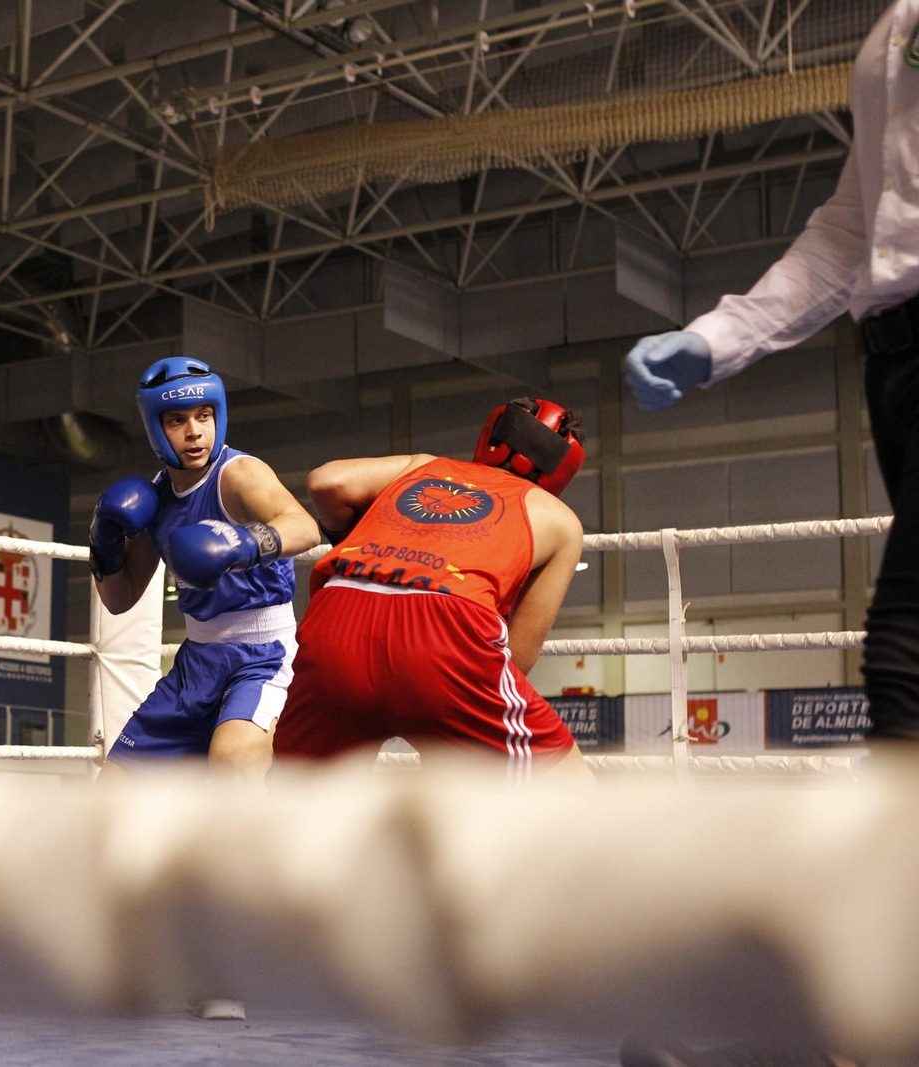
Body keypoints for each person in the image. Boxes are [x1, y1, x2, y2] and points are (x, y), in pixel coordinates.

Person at [622, 0, 918, 744]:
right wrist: (719, 337)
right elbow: (855, 228)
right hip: (894, 365)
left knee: (906, 646)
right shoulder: (890, 34)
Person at [272, 398, 593, 783]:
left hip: (339, 616)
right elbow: (518, 657)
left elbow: (327, 482)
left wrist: (357, 541)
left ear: (491, 436)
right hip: (444, 636)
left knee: (299, 804)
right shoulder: (559, 519)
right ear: (562, 470)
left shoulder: (425, 466)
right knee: (566, 784)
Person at [89, 357, 320, 783]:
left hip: (263, 653)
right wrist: (103, 542)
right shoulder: (153, 500)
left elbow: (304, 527)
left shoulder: (238, 474)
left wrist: (242, 543)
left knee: (233, 764)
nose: (195, 431)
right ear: (155, 427)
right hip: (196, 662)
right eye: (177, 420)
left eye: (204, 416)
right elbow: (120, 601)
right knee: (112, 794)